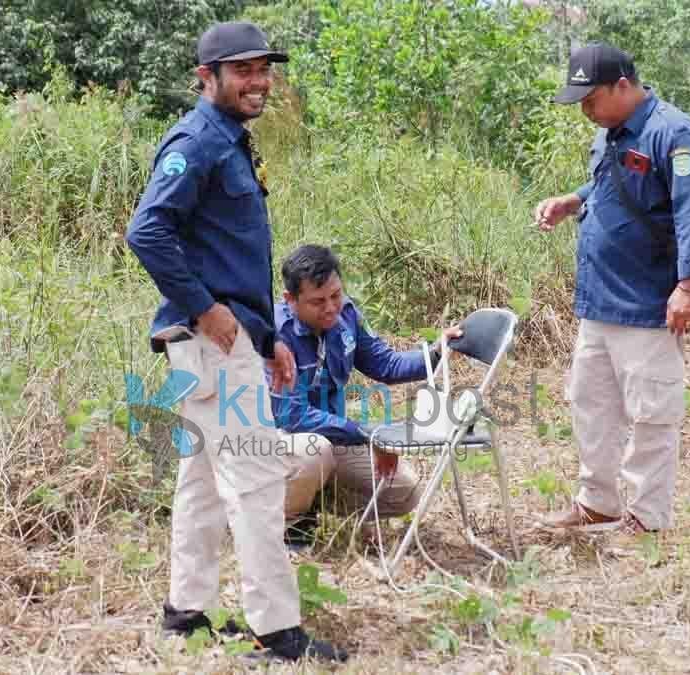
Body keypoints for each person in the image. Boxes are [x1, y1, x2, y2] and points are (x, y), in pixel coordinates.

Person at [125, 22, 346, 663]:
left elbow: (235, 253)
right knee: (254, 483)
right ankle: (278, 634)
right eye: (242, 70)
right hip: (211, 344)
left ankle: (185, 615)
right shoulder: (196, 142)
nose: (258, 81)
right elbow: (148, 231)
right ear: (207, 78)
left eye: (263, 69)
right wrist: (208, 310)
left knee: (199, 481)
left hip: (228, 343)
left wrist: (268, 335)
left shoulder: (232, 142)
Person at [533, 43, 690, 535]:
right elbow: (611, 186)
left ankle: (647, 517)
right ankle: (597, 502)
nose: (585, 111)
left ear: (622, 85)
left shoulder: (674, 135)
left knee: (652, 414)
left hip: (648, 302)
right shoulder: (610, 134)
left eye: (590, 99)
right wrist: (573, 200)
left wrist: (689, 287)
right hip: (599, 301)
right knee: (590, 405)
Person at [269, 245, 462, 547]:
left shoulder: (345, 316)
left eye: (335, 295)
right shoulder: (276, 335)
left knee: (403, 489)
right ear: (290, 300)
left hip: (330, 439)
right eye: (317, 302)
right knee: (313, 452)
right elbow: (293, 417)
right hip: (274, 441)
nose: (331, 307)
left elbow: (385, 363)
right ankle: (283, 524)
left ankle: (312, 504)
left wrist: (435, 353)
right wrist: (368, 436)